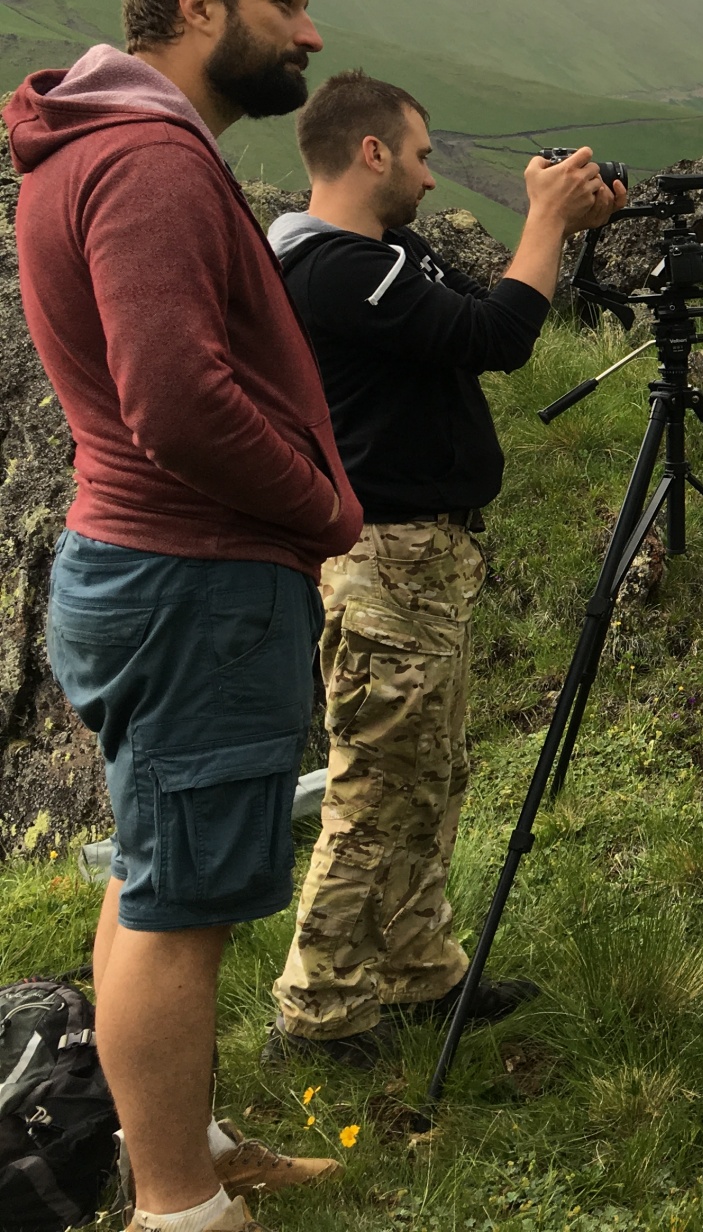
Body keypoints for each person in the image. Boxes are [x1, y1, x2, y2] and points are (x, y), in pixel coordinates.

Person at [6, 0, 362, 1232]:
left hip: (141, 567)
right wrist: (323, 507)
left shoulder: (87, 148)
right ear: (198, 6)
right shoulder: (151, 163)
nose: (310, 33)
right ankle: (180, 1209)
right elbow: (174, 398)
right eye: (285, 3)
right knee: (176, 907)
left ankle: (184, 1139)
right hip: (190, 576)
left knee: (153, 879)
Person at [261, 71, 622, 1066]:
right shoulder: (332, 270)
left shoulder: (390, 254)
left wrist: (568, 229)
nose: (429, 176)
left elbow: (490, 306)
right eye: (420, 155)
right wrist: (544, 216)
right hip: (386, 558)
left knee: (433, 772)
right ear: (371, 151)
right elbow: (497, 337)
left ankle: (420, 970)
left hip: (429, 555)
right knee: (378, 783)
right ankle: (318, 1011)